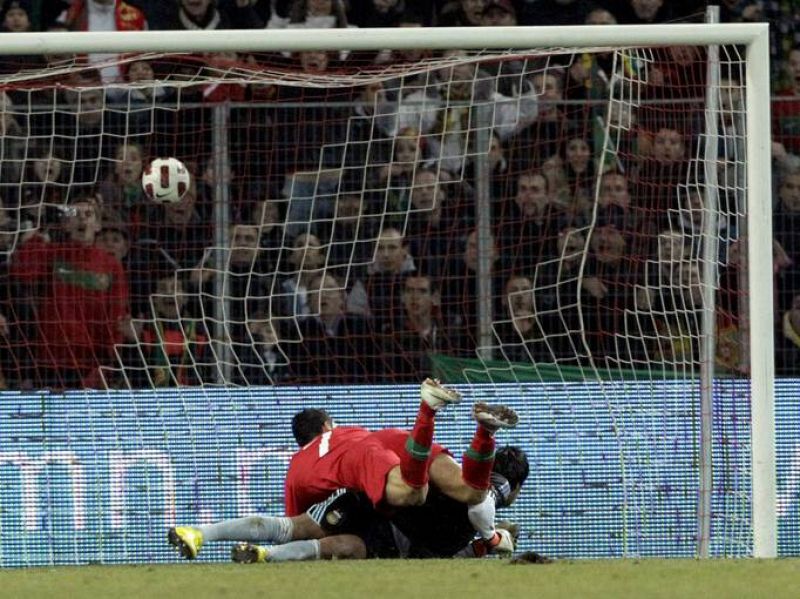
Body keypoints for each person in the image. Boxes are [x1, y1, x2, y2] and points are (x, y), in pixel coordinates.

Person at [168, 380, 518, 559]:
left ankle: (202, 534)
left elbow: (292, 526)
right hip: (390, 440)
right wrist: (491, 539)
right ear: (327, 425)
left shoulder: (298, 466)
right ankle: (482, 432)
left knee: (291, 528)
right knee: (472, 491)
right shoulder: (348, 430)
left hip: (365, 467)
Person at [232, 445, 529, 563]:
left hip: (381, 501)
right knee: (338, 544)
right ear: (515, 487)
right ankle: (266, 554)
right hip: (390, 522)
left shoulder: (459, 477)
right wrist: (493, 538)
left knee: (328, 538)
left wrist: (485, 545)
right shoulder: (485, 497)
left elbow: (446, 551)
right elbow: (487, 497)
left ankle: (263, 553)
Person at [9, 197, 129, 388]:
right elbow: (21, 272)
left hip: (92, 361)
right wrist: (37, 238)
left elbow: (117, 312)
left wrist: (108, 360)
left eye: (88, 214)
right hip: (51, 358)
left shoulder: (111, 265)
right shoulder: (51, 254)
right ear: (65, 224)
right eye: (75, 214)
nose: (82, 218)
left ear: (97, 225)